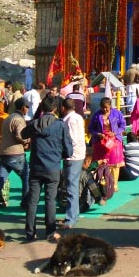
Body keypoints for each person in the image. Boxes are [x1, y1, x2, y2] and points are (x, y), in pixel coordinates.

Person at [20, 96, 73, 242]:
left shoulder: (35, 123)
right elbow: (68, 148)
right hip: (53, 166)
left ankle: (30, 232)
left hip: (36, 166)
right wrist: (62, 155)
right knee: (50, 200)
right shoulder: (60, 125)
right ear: (55, 109)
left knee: (33, 200)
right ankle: (50, 232)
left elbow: (22, 134)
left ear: (42, 108)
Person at [0, 97, 30, 217]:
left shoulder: (7, 118)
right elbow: (21, 136)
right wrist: (28, 140)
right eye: (27, 107)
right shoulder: (19, 120)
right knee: (27, 176)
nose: (28, 109)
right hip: (15, 154)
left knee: (0, 180)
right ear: (22, 107)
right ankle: (26, 202)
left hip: (3, 153)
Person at [88, 97, 127, 190]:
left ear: (110, 106)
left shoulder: (117, 113)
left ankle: (114, 184)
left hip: (115, 141)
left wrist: (115, 132)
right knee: (102, 163)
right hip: (100, 142)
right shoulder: (96, 115)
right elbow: (90, 129)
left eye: (106, 107)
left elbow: (123, 125)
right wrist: (98, 134)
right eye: (103, 107)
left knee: (115, 163)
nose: (105, 109)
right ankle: (104, 183)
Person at [60, 97, 86, 230]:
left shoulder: (69, 120)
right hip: (78, 154)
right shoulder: (78, 117)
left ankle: (71, 218)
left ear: (63, 108)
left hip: (72, 156)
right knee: (72, 185)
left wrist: (65, 152)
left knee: (70, 186)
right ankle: (74, 214)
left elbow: (72, 139)